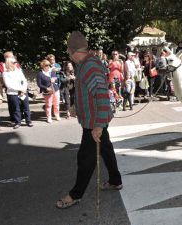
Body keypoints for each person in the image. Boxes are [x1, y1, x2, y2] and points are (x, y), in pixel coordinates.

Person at [56, 31, 122, 209]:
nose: (69, 56)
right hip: (95, 118)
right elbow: (88, 91)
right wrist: (75, 106)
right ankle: (116, 180)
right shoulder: (86, 64)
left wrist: (98, 125)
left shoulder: (89, 66)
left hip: (94, 121)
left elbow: (100, 95)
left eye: (69, 52)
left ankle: (75, 195)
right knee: (106, 149)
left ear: (74, 50)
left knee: (85, 158)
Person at [2, 58, 33, 129]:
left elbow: (24, 80)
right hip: (13, 93)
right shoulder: (5, 73)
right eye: (14, 62)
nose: (16, 63)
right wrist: (20, 89)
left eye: (16, 62)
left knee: (26, 107)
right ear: (9, 63)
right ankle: (18, 122)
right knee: (16, 109)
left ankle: (28, 121)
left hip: (23, 92)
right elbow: (8, 85)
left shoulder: (19, 71)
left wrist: (24, 89)